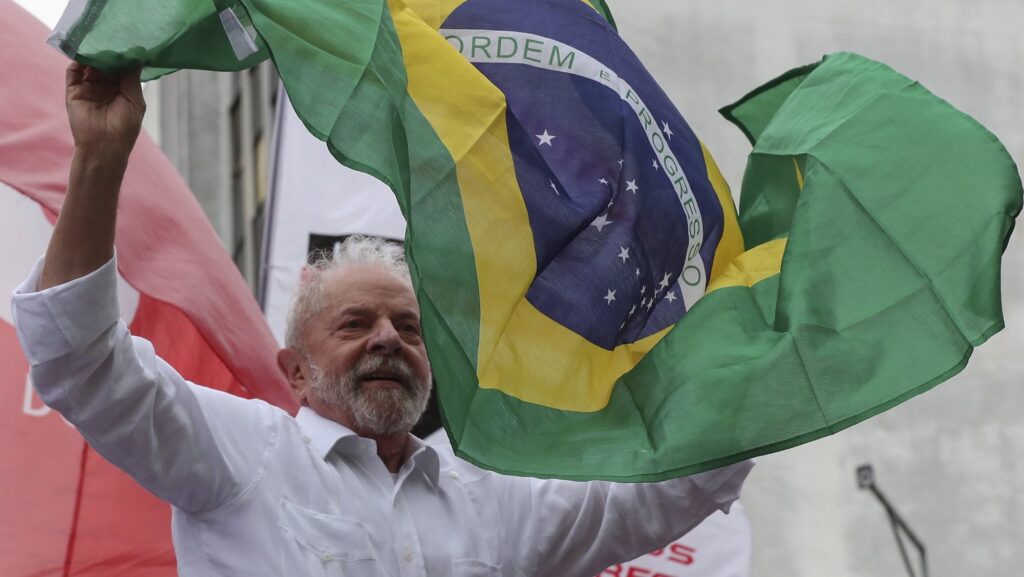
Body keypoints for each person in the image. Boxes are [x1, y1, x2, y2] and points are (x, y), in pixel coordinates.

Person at [11, 63, 752, 577]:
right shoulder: (243, 455)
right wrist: (101, 157)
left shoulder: (489, 500)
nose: (389, 337)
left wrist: (764, 340)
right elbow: (84, 363)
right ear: (294, 370)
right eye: (354, 323)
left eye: (409, 325)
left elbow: (670, 488)